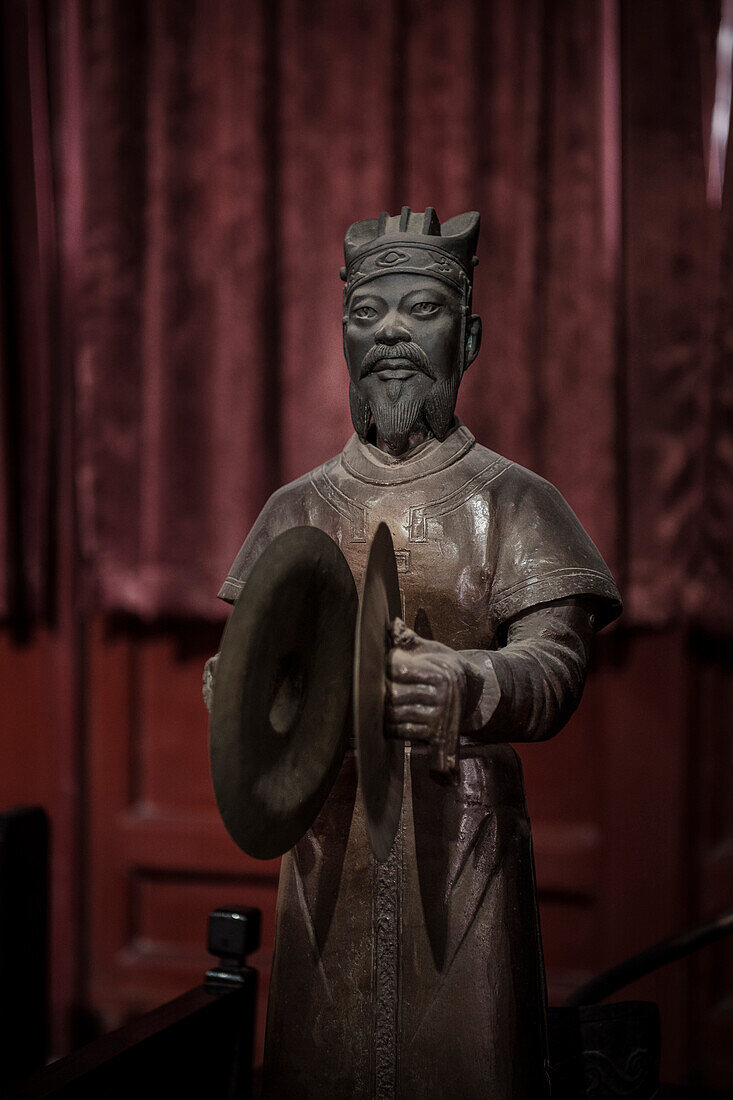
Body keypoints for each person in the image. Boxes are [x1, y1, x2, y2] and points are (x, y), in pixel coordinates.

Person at [205, 207, 621, 1099]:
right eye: (365, 313)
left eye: (421, 307)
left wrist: (467, 684)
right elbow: (249, 659)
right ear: (341, 340)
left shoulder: (513, 501)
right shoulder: (296, 509)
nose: (389, 329)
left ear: (466, 337)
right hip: (322, 845)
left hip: (461, 846)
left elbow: (555, 662)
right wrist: (238, 698)